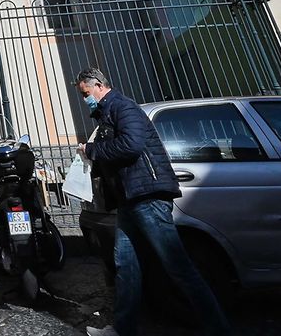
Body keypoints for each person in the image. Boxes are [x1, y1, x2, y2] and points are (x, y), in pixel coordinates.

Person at [76, 70, 231, 336]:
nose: (85, 100)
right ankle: (124, 329)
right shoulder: (107, 113)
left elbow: (131, 145)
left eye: (85, 94)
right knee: (127, 265)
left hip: (147, 196)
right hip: (130, 198)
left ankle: (218, 328)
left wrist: (91, 150)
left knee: (177, 266)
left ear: (99, 86)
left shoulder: (123, 107)